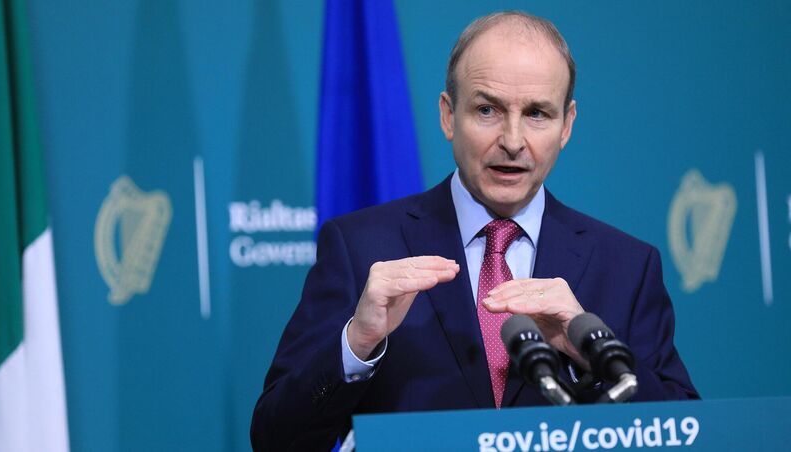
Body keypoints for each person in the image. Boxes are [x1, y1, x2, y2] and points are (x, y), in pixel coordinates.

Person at [251, 11, 698, 451]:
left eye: (538, 113)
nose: (512, 140)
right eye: (487, 109)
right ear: (448, 115)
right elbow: (275, 439)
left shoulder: (627, 266)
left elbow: (685, 434)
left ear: (567, 125)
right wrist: (357, 346)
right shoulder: (361, 247)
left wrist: (589, 358)